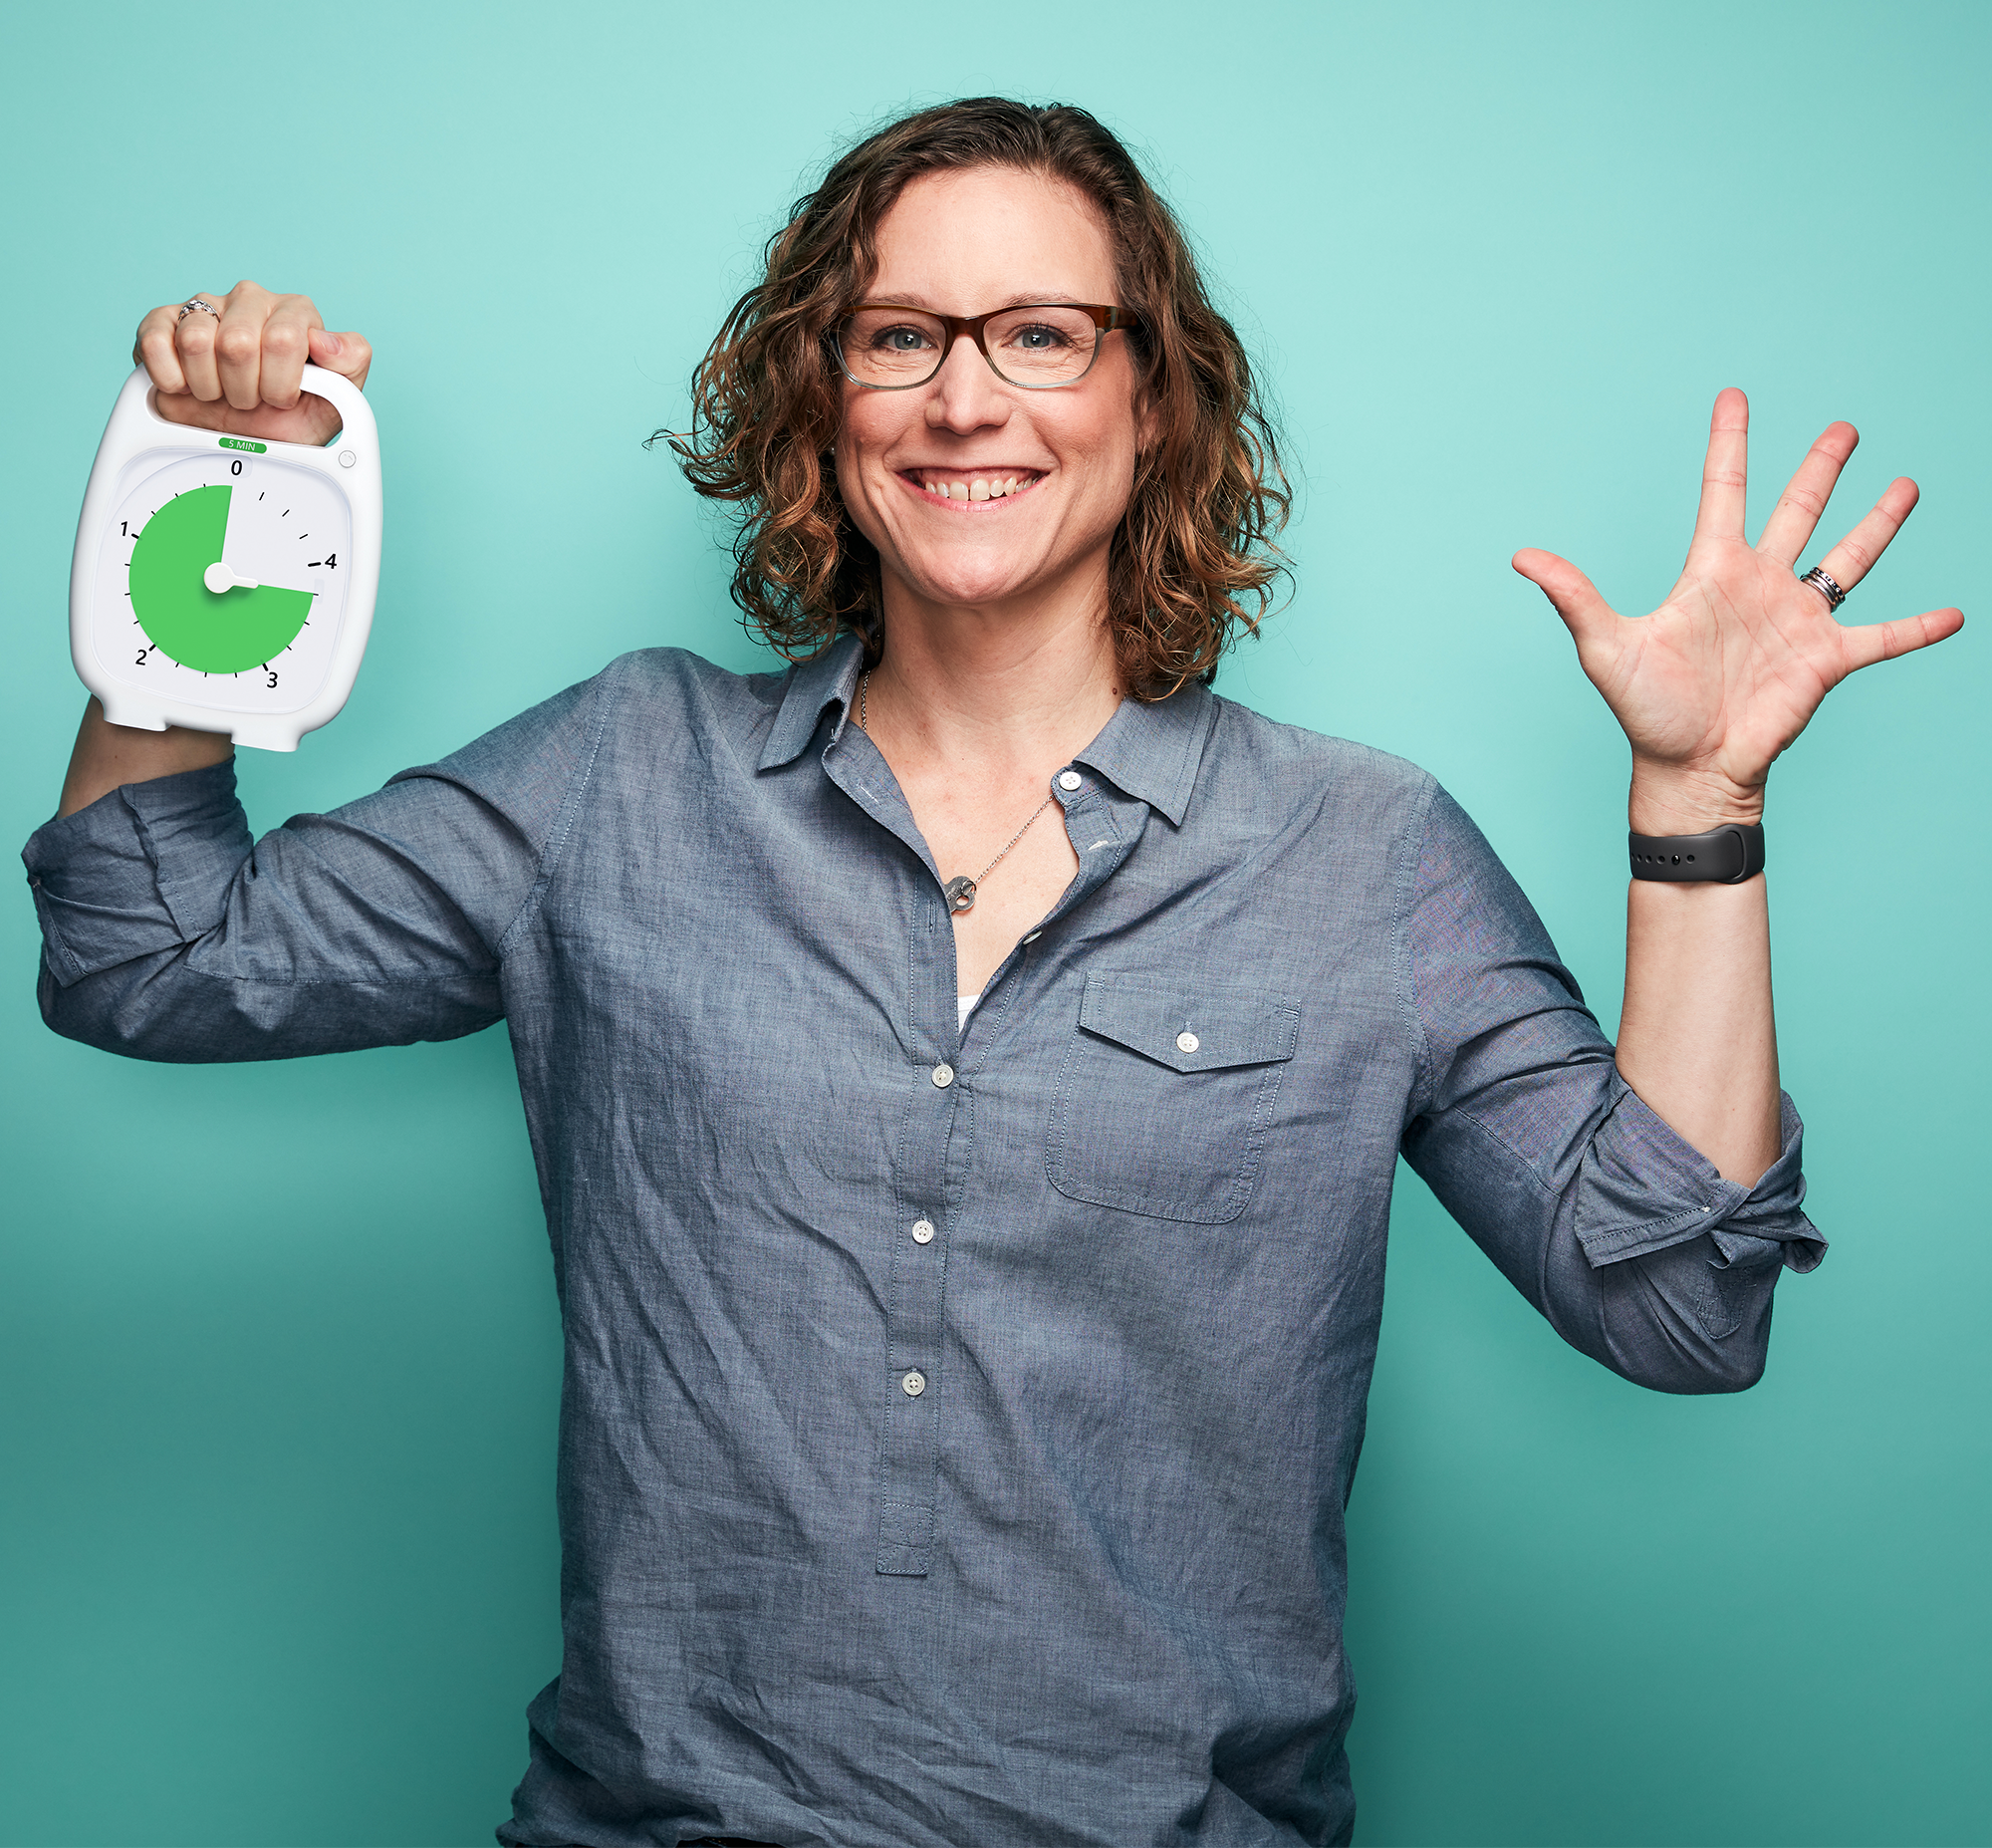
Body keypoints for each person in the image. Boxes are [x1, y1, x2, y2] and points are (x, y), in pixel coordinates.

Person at [24, 100, 1962, 1848]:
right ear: (824, 397)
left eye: (1041, 334)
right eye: (900, 336)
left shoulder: (1361, 855)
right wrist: (211, 524)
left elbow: (1682, 1308)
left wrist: (1695, 801)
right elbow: (152, 957)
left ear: (1153, 402)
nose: (967, 399)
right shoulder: (624, 776)